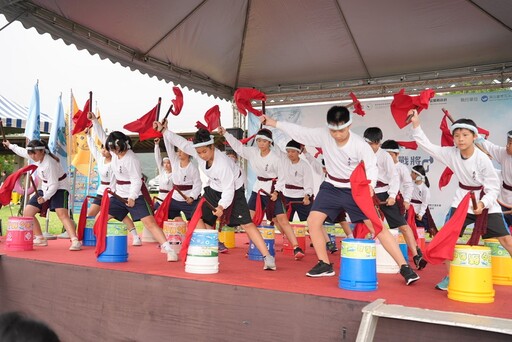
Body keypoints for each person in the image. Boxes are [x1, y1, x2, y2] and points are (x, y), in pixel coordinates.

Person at [261, 106, 419, 284]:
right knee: (313, 222)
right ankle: (324, 264)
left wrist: (371, 186)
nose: (337, 135)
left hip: (355, 189)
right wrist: (274, 123)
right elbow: (300, 132)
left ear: (349, 126)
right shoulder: (324, 135)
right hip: (331, 187)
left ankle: (405, 267)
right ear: (329, 127)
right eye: (333, 130)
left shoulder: (360, 145)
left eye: (341, 130)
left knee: (377, 227)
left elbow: (371, 166)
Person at [410, 109, 512, 290]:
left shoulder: (482, 159)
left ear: (474, 136)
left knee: (506, 240)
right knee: (446, 239)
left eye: (465, 135)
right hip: (462, 201)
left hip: (485, 200)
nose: (461, 139)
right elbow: (427, 146)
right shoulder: (451, 153)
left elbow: (493, 187)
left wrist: (483, 203)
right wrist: (416, 124)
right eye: (457, 135)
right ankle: (450, 276)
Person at [156, 122, 277, 270]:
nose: (201, 155)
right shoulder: (198, 152)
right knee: (197, 217)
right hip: (213, 189)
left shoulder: (222, 164)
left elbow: (228, 189)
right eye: (198, 152)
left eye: (204, 152)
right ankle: (210, 247)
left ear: (212, 147)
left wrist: (221, 206)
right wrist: (164, 130)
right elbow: (179, 141)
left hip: (234, 189)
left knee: (246, 224)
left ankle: (268, 257)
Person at [89, 113, 179, 261]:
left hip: (135, 196)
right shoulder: (114, 151)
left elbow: (136, 181)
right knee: (100, 218)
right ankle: (106, 246)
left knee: (149, 223)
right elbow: (103, 136)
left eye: (116, 148)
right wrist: (94, 120)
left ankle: (169, 250)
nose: (114, 151)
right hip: (118, 196)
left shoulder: (131, 159)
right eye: (112, 148)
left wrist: (131, 197)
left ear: (122, 145)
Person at [219, 126, 305, 260]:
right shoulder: (253, 152)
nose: (261, 144)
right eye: (259, 141)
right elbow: (238, 147)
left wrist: (277, 191)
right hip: (258, 189)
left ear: (269, 142)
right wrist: (225, 134)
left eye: (264, 141)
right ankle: (256, 246)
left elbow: (282, 177)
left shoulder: (276, 157)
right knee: (248, 220)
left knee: (281, 219)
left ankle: (296, 247)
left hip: (272, 190)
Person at [4, 139, 81, 251]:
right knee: (28, 212)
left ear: (42, 151)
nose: (32, 156)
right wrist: (10, 145)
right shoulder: (36, 156)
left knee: (62, 214)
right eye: (31, 154)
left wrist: (45, 198)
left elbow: (54, 185)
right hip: (45, 187)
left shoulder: (50, 163)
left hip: (60, 187)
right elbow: (23, 152)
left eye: (34, 153)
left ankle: (75, 240)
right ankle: (40, 238)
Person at [366, 131, 426, 270]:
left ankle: (416, 254)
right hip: (373, 194)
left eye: (391, 154)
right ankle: (369, 253)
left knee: (403, 226)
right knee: (370, 226)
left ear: (397, 154)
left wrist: (405, 199)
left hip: (389, 196)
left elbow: (408, 184)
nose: (388, 157)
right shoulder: (372, 159)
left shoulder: (402, 168)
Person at [84, 124, 141, 246]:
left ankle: (135, 236)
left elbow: (104, 137)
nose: (104, 151)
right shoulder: (100, 159)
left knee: (120, 215)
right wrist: (88, 135)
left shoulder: (116, 159)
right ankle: (93, 237)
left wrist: (117, 192)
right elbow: (95, 146)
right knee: (92, 214)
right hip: (101, 191)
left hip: (113, 191)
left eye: (107, 149)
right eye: (103, 149)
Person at [304, 147, 353, 250]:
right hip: (325, 201)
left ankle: (351, 238)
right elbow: (313, 162)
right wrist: (304, 152)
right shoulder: (323, 172)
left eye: (326, 168)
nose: (324, 169)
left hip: (339, 197)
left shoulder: (341, 169)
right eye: (324, 167)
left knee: (342, 220)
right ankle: (328, 243)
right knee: (317, 221)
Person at [159, 136, 202, 221]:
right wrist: (164, 131)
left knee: (196, 220)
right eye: (178, 151)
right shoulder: (174, 162)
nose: (179, 153)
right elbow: (169, 147)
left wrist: (192, 197)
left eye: (181, 151)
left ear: (188, 152)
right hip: (174, 198)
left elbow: (198, 184)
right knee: (162, 213)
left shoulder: (193, 168)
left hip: (188, 199)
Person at [478, 130, 512, 227]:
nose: (507, 146)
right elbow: (486, 145)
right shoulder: (503, 153)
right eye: (507, 143)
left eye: (510, 143)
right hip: (503, 199)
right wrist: (472, 135)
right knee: (499, 232)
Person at [410, 165, 437, 236]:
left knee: (421, 230)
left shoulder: (425, 189)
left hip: (419, 211)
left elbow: (425, 203)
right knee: (407, 227)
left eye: (412, 173)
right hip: (410, 209)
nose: (410, 174)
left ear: (417, 175)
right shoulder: (410, 185)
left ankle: (421, 245)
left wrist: (421, 214)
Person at [153, 138, 173, 211]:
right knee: (152, 215)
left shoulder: (175, 174)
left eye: (168, 163)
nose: (166, 165)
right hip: (159, 199)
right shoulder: (162, 171)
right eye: (164, 163)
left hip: (170, 200)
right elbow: (157, 158)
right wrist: (156, 145)